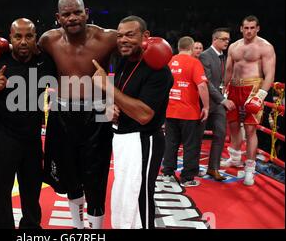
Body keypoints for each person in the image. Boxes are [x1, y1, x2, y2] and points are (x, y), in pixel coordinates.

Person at [38, 0, 117, 229]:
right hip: (62, 116)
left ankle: (94, 231)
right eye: (67, 14)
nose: (72, 18)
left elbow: (134, 58)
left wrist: (116, 100)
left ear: (86, 13)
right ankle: (78, 227)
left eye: (77, 12)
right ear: (58, 18)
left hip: (97, 116)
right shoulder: (48, 40)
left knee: (96, 178)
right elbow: (23, 54)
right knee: (69, 177)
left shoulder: (108, 38)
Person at [92, 15, 173, 229]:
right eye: (119, 36)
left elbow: (144, 115)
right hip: (123, 139)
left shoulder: (159, 70)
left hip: (144, 141)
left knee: (139, 199)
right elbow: (120, 96)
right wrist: (110, 107)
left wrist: (107, 87)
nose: (123, 40)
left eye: (130, 35)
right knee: (123, 199)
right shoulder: (124, 61)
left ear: (145, 36)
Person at [0, 18, 56, 229]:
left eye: (28, 36)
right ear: (10, 38)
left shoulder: (45, 61)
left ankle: (30, 229)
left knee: (32, 190)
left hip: (31, 138)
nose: (23, 41)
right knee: (1, 190)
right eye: (18, 36)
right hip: (4, 137)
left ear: (35, 39)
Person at [223, 15, 276, 186]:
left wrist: (260, 96)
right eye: (246, 28)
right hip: (233, 88)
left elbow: (269, 75)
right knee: (232, 125)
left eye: (252, 28)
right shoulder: (234, 46)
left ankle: (249, 169)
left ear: (258, 28)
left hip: (252, 88)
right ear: (241, 28)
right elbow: (229, 69)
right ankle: (235, 157)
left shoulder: (265, 47)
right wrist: (224, 88)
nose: (249, 31)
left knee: (250, 129)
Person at [162, 36, 209, 187]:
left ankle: (168, 173)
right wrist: (206, 107)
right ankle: (187, 178)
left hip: (170, 111)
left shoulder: (168, 62)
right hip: (189, 112)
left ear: (178, 47)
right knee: (191, 145)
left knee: (171, 142)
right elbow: (202, 86)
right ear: (191, 47)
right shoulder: (194, 62)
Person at [198, 28, 235, 181]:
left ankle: (213, 168)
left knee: (220, 134)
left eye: (228, 39)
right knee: (197, 136)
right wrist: (223, 99)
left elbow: (220, 81)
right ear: (215, 40)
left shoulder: (222, 57)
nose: (227, 41)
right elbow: (206, 82)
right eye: (224, 39)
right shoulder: (205, 56)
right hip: (205, 102)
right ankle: (192, 168)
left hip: (218, 102)